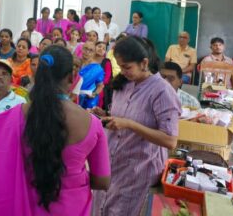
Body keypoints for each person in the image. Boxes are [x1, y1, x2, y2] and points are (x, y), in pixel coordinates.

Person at [0, 45, 110, 215]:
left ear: (38, 75)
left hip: (25, 205)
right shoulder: (92, 123)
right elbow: (103, 181)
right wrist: (73, 177)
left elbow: (0, 166)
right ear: (71, 77)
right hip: (72, 207)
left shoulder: (13, 117)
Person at [92, 37, 180, 216]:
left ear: (144, 63)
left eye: (127, 67)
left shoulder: (162, 91)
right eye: (120, 66)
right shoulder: (124, 84)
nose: (123, 72)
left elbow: (170, 140)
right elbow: (125, 116)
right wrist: (106, 115)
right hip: (112, 164)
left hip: (138, 171)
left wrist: (130, 125)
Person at [74, 42, 104, 109]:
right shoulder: (75, 62)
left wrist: (94, 94)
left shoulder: (97, 68)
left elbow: (100, 86)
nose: (87, 52)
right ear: (82, 49)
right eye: (86, 48)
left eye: (91, 50)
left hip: (87, 101)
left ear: (94, 53)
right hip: (72, 96)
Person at [94, 41, 113, 108]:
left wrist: (97, 84)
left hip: (100, 87)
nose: (101, 49)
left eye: (103, 48)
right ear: (94, 47)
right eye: (99, 46)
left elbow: (107, 78)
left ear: (105, 52)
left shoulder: (106, 62)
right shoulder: (89, 59)